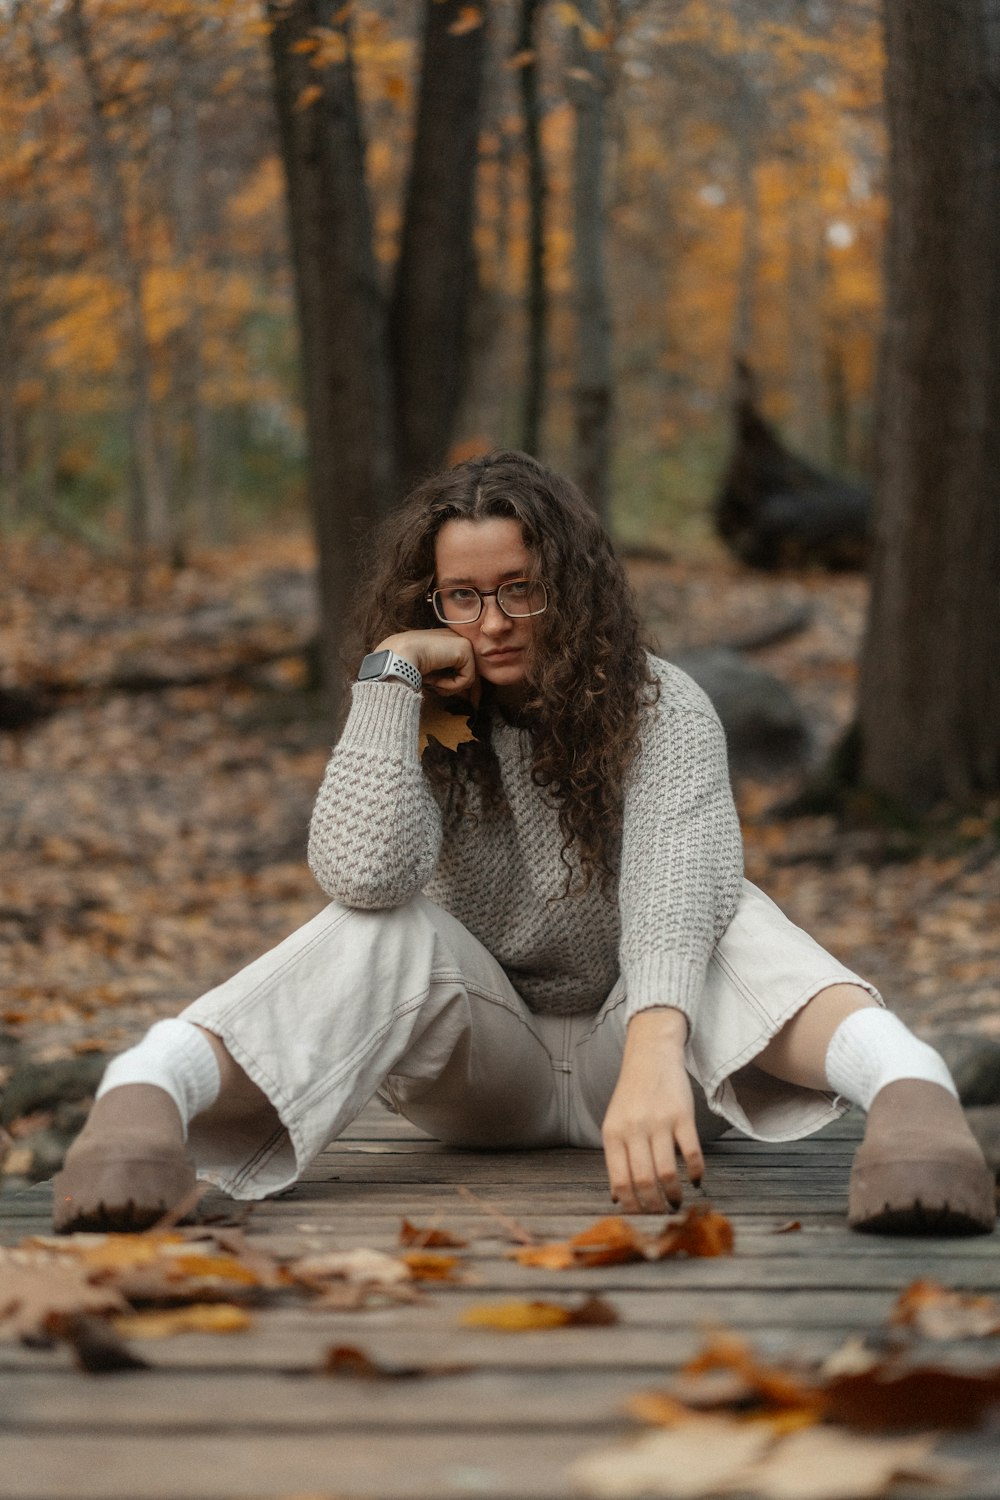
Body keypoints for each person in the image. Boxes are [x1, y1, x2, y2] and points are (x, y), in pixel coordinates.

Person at [53, 450, 995, 1237]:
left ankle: (911, 1089)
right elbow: (364, 876)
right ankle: (146, 1088)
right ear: (429, 603)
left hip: (650, 1062)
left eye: (518, 591)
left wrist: (655, 1056)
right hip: (483, 1077)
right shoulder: (412, 710)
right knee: (387, 927)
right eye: (460, 597)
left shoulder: (661, 704)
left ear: (569, 586)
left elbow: (671, 881)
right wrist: (390, 680)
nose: (492, 623)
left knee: (724, 907)